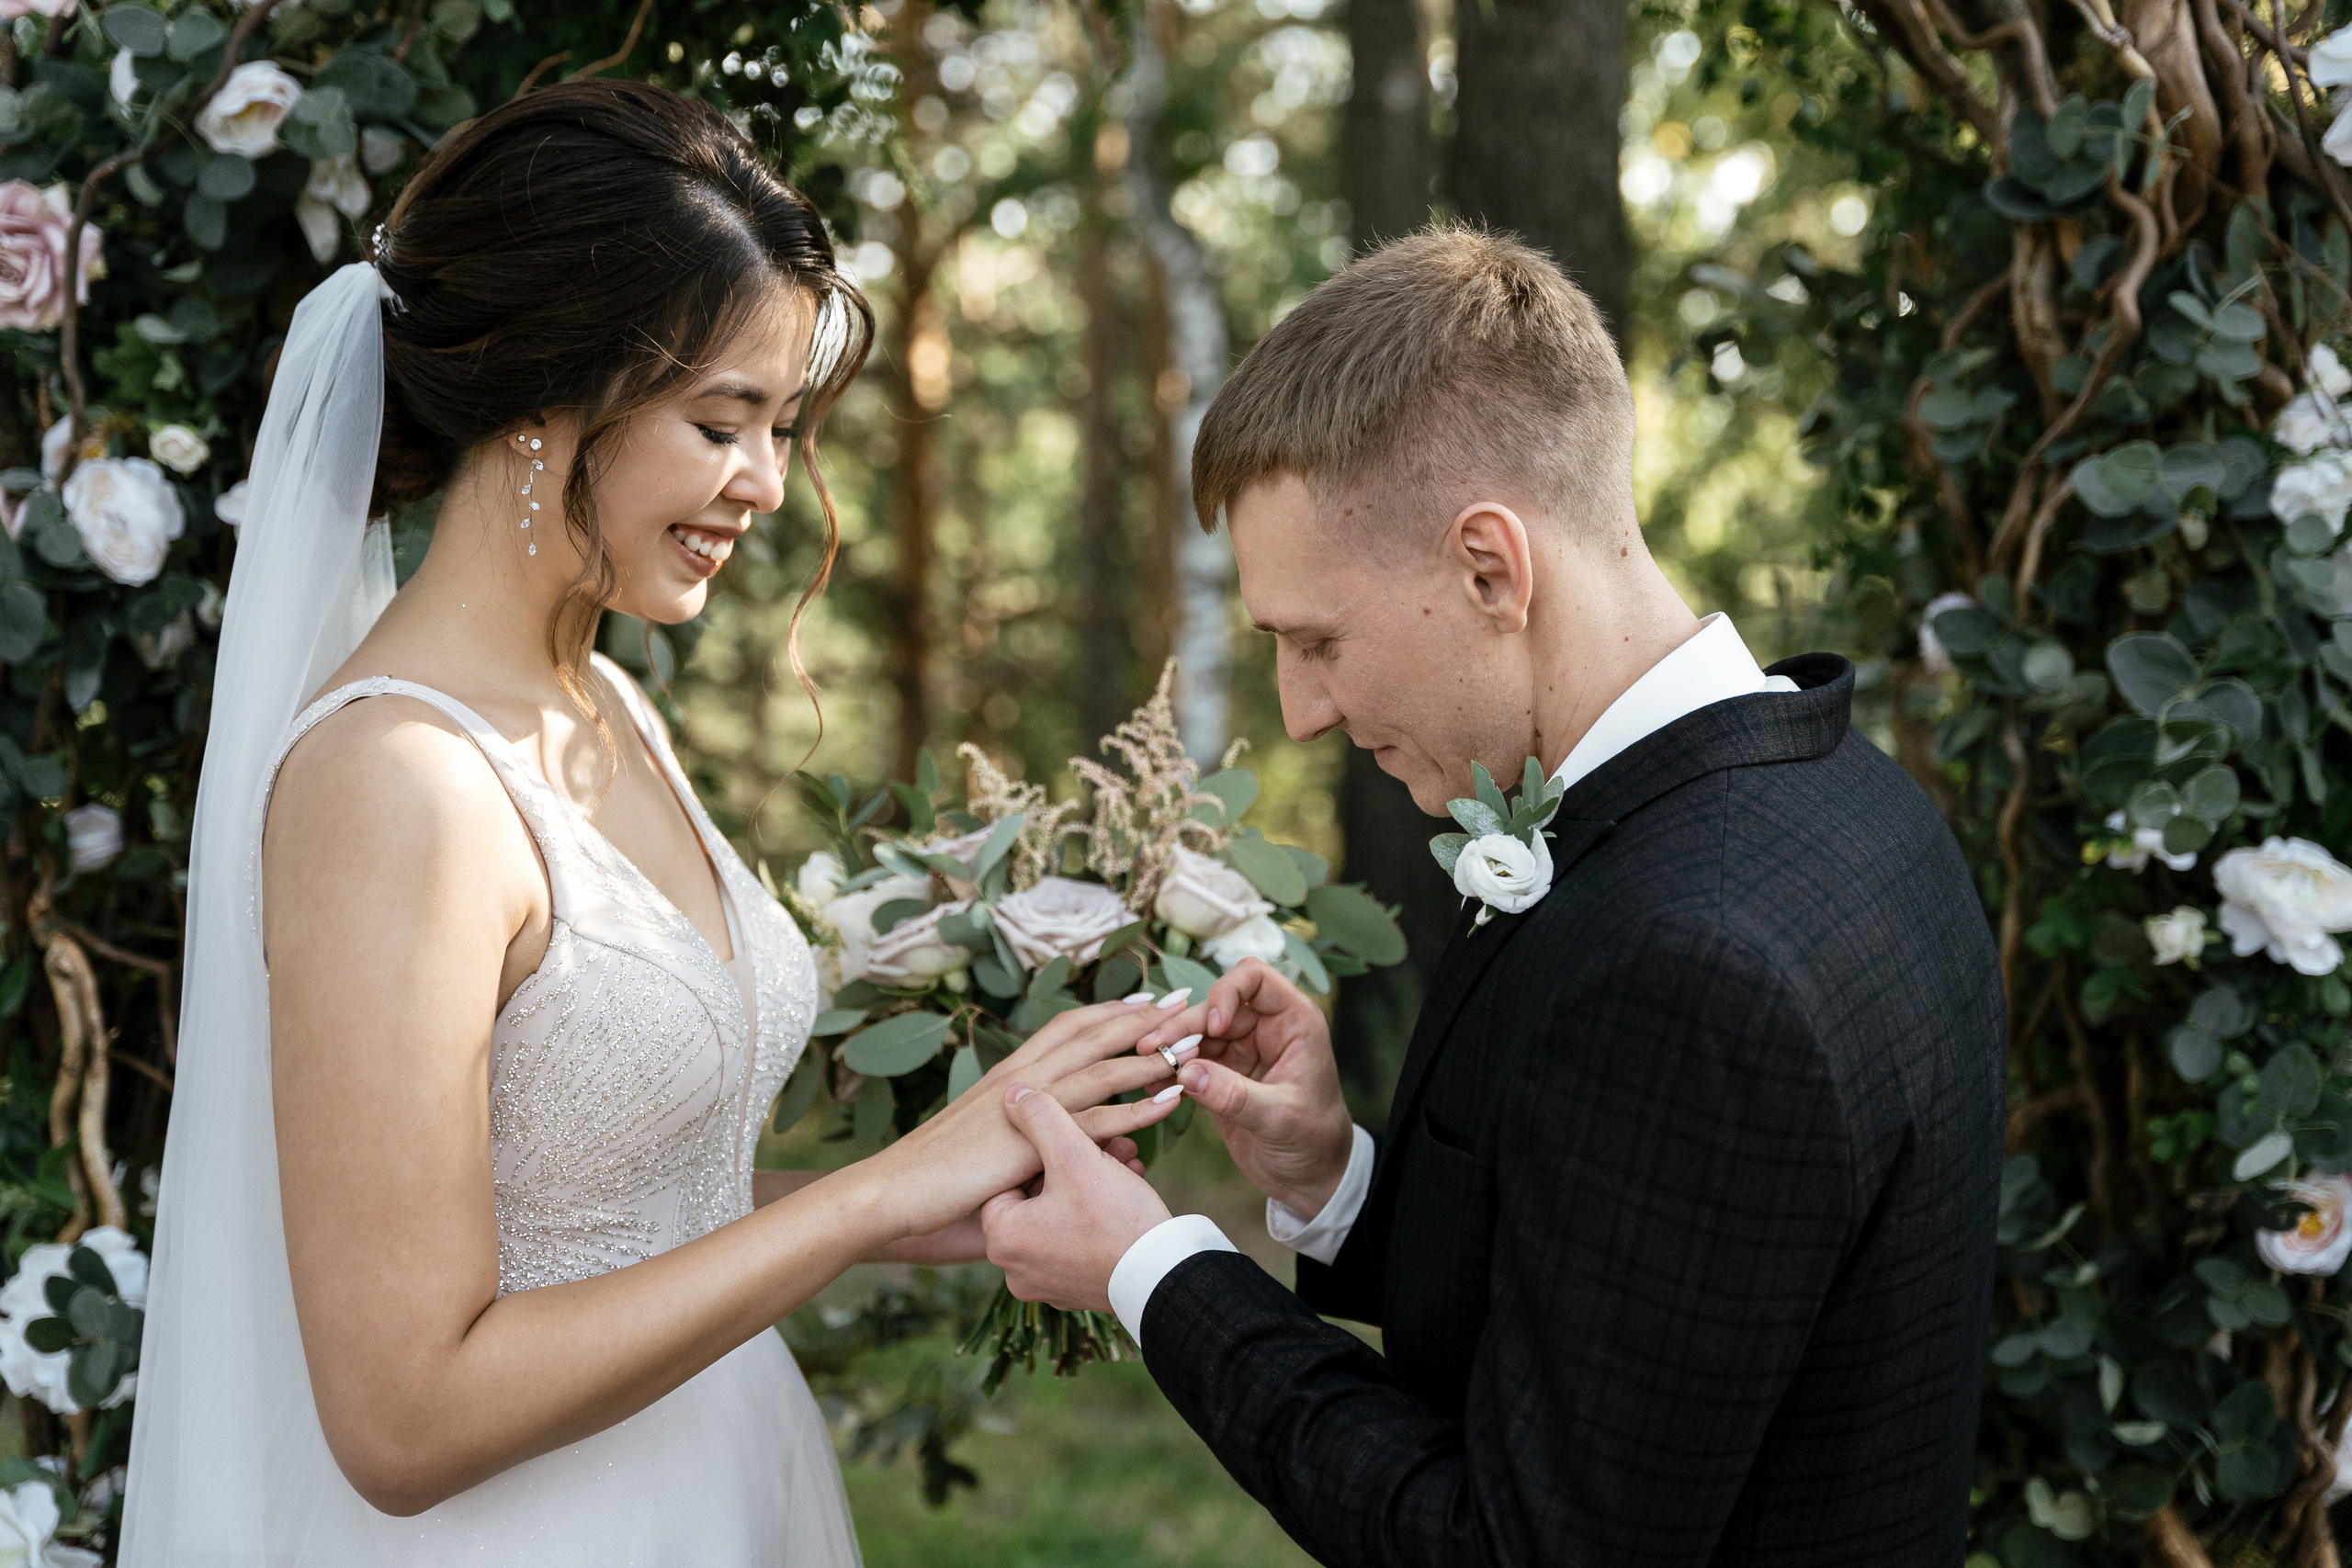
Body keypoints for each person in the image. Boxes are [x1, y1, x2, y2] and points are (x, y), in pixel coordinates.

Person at [123, 81, 1182, 1565]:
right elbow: (401, 1417)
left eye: (781, 427)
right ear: (544, 402)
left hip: (727, 1485)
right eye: (721, 423)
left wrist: (916, 1192)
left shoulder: (611, 702)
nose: (765, 485)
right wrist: (871, 1193)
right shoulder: (397, 789)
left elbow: (605, 1197)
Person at [978, 226, 2007, 1564]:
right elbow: (1652, 1279)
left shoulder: (1694, 961)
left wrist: (1153, 1271)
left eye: (1317, 639)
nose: (1300, 711)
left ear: (1489, 568)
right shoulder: (1847, 803)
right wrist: (1338, 1182)